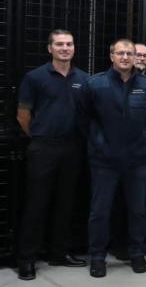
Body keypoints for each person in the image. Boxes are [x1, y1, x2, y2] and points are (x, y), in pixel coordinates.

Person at [84, 38, 146, 278]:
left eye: (130, 53)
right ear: (112, 56)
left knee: (137, 210)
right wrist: (98, 143)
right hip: (104, 161)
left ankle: (137, 253)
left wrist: (143, 143)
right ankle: (97, 257)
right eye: (121, 53)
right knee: (100, 211)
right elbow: (84, 119)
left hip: (136, 160)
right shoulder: (95, 84)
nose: (126, 57)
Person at [16, 30, 89, 281]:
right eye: (59, 44)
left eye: (69, 44)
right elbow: (23, 115)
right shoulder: (35, 77)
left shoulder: (84, 79)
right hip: (43, 147)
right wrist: (39, 136)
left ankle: (59, 252)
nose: (65, 48)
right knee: (36, 204)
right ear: (50, 49)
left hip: (73, 148)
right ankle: (26, 259)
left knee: (66, 203)